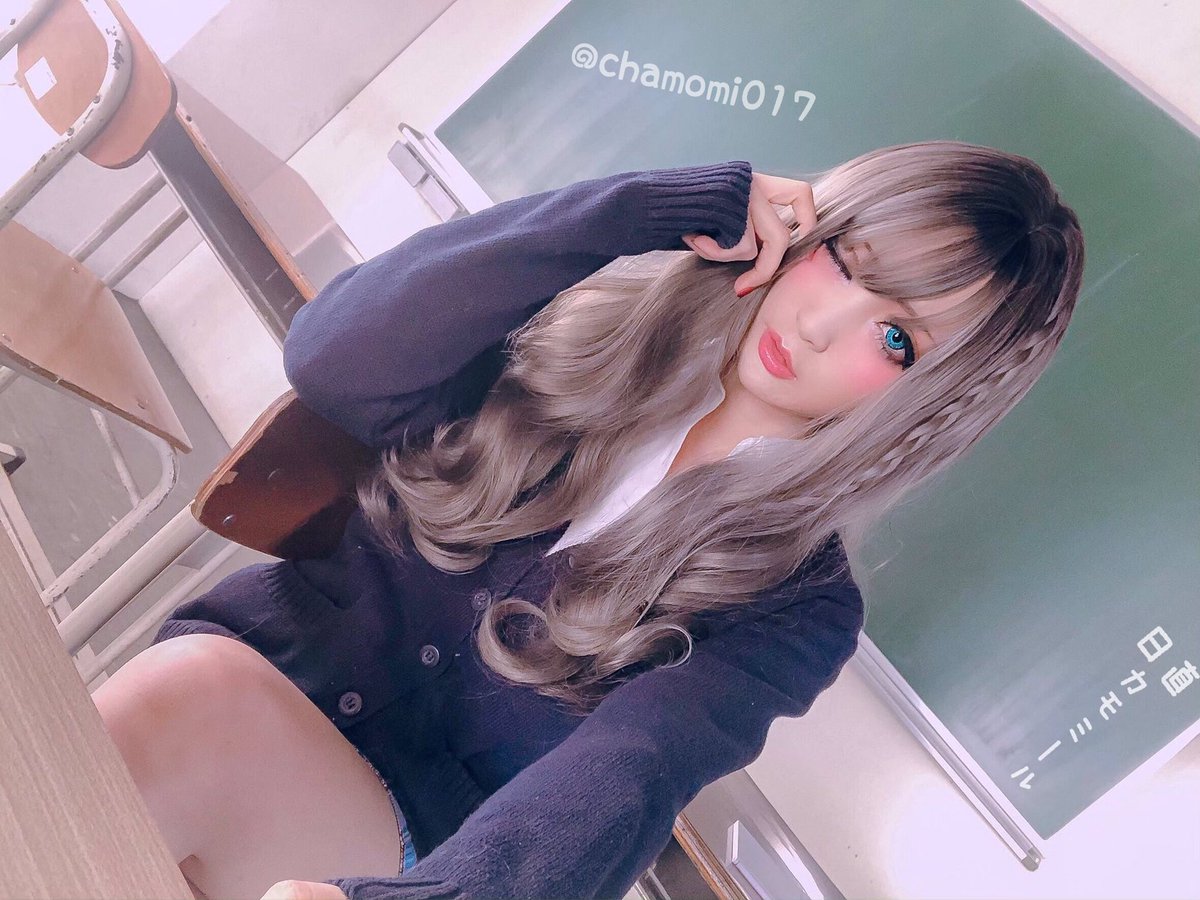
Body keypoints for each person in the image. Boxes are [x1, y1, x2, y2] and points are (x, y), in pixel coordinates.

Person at [93, 141, 1084, 900]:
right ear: (801, 229)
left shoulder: (798, 607)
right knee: (186, 711)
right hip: (244, 692)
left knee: (188, 709)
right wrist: (645, 208)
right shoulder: (573, 333)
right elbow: (330, 358)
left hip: (393, 848)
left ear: (923, 404)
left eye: (896, 338)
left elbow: (634, 770)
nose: (822, 325)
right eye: (843, 260)